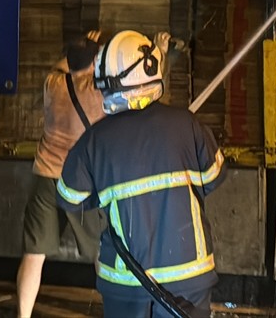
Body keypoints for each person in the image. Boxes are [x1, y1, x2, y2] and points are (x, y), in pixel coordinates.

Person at [57, 30, 225, 318]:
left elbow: (70, 199)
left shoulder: (96, 141)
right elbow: (213, 178)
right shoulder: (188, 124)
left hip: (127, 283)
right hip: (190, 279)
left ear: (110, 83)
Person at [15, 31, 108, 318]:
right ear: (94, 63)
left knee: (34, 254)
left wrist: (82, 49)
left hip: (46, 174)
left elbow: (61, 66)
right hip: (82, 181)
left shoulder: (52, 83)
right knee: (101, 255)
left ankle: (22, 316)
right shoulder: (97, 92)